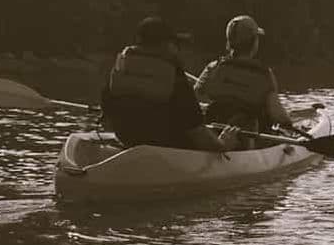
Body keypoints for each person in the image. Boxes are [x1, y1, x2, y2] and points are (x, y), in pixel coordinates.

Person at [100, 16, 239, 151]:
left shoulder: (121, 69)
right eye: (175, 44)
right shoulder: (174, 77)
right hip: (165, 149)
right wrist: (223, 144)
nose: (177, 49)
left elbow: (107, 119)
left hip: (127, 140)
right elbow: (198, 133)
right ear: (166, 44)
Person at [194, 15, 293, 149]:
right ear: (254, 43)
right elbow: (278, 116)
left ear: (229, 41)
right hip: (247, 141)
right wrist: (289, 125)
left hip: (213, 135)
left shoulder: (213, 67)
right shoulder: (264, 74)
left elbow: (192, 102)